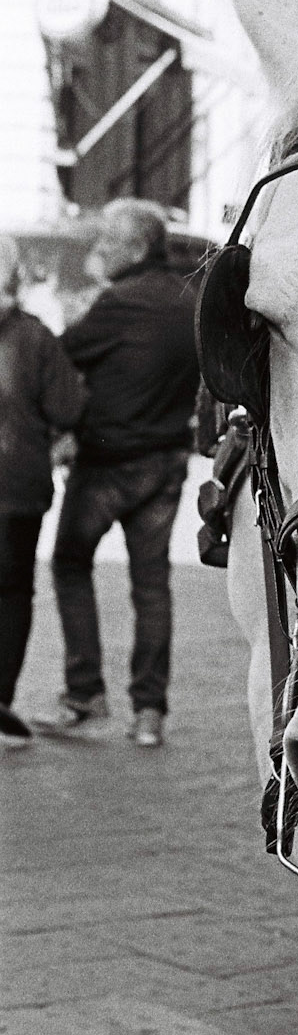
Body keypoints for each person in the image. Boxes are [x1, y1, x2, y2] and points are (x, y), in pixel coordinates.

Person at [31, 201, 200, 748]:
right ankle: (148, 712)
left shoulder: (119, 302)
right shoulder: (186, 298)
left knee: (70, 563)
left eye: (107, 240)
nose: (98, 248)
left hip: (109, 463)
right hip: (167, 459)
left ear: (134, 249)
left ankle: (85, 693)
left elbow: (59, 356)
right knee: (151, 585)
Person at [0, 236, 86, 746]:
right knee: (10, 589)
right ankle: (1, 695)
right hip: (17, 485)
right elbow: (67, 409)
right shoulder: (34, 337)